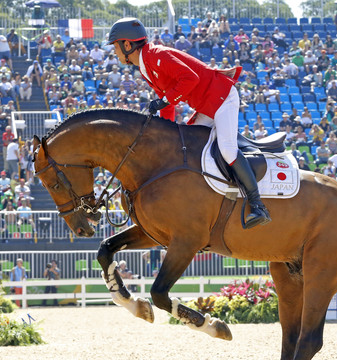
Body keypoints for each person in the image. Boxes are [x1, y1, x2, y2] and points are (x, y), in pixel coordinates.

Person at [108, 17, 270, 229]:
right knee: (186, 149)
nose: (114, 52)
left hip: (222, 97)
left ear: (127, 44)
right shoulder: (146, 66)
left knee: (228, 150)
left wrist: (164, 100)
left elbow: (190, 79)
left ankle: (258, 205)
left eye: (115, 47)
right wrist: (164, 131)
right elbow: (166, 105)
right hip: (206, 106)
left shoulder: (157, 55)